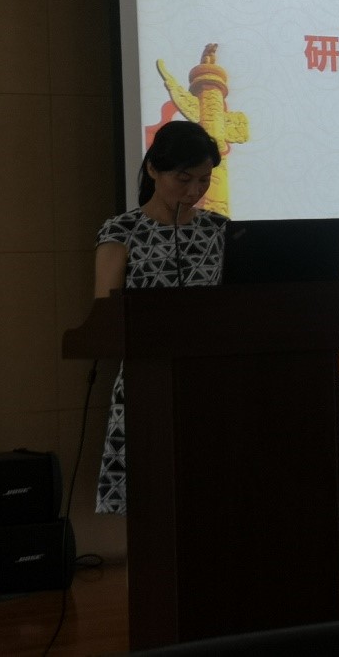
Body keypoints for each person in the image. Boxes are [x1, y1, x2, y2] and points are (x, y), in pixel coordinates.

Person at [94, 120, 227, 515]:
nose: (194, 191)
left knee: (211, 500)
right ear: (153, 169)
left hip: (210, 383)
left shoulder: (220, 230)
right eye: (183, 179)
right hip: (146, 383)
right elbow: (106, 314)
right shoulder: (122, 230)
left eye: (204, 180)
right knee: (152, 502)